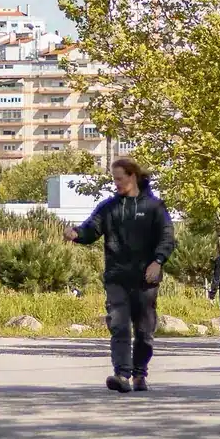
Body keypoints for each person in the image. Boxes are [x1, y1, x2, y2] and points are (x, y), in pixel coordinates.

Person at [64, 157, 176, 393]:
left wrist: (158, 261)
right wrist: (76, 233)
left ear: (132, 176)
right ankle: (122, 375)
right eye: (114, 179)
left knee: (145, 332)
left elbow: (167, 237)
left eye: (119, 179)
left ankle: (139, 373)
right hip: (117, 277)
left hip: (146, 279)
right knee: (119, 325)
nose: (116, 183)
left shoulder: (154, 207)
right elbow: (91, 228)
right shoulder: (109, 207)